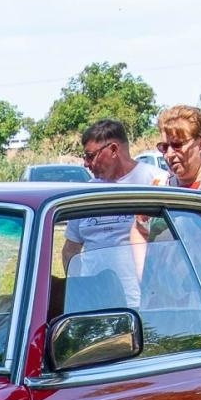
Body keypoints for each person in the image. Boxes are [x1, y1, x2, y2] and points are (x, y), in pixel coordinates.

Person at [61, 118, 168, 307]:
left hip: (143, 304)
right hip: (95, 305)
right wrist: (77, 292)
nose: (86, 164)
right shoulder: (85, 193)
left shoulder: (154, 182)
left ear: (113, 150)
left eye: (90, 155)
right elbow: (71, 248)